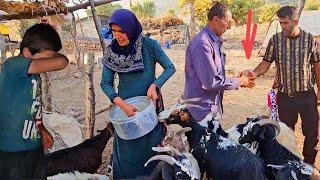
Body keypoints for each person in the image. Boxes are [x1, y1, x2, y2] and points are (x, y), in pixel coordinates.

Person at [100, 9, 176, 179]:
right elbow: (105, 83)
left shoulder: (149, 46)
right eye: (114, 31)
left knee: (150, 145)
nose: (118, 36)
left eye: (122, 31)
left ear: (132, 29)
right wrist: (121, 104)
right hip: (125, 110)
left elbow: (170, 68)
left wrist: (155, 85)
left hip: (148, 106)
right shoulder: (111, 52)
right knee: (127, 147)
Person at [243, 6, 319, 165]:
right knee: (284, 132)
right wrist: (253, 74)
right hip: (285, 97)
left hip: (307, 96)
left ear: (295, 21)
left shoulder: (310, 40)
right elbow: (265, 63)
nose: (282, 26)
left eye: (285, 23)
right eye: (280, 22)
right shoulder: (275, 40)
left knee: (311, 133)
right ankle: (290, 162)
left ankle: (308, 164)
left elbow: (318, 66)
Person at [0, 23, 69, 179]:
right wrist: (54, 56)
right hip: (12, 151)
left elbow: (32, 108)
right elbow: (62, 62)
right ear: (26, 51)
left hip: (33, 147)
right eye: (46, 58)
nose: (47, 64)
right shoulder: (12, 65)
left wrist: (42, 130)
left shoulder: (34, 75)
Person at [184, 2, 255, 122]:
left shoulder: (214, 41)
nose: (229, 26)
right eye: (227, 22)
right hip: (201, 111)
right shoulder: (202, 43)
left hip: (211, 106)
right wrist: (240, 81)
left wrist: (237, 78)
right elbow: (211, 81)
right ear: (216, 19)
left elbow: (215, 74)